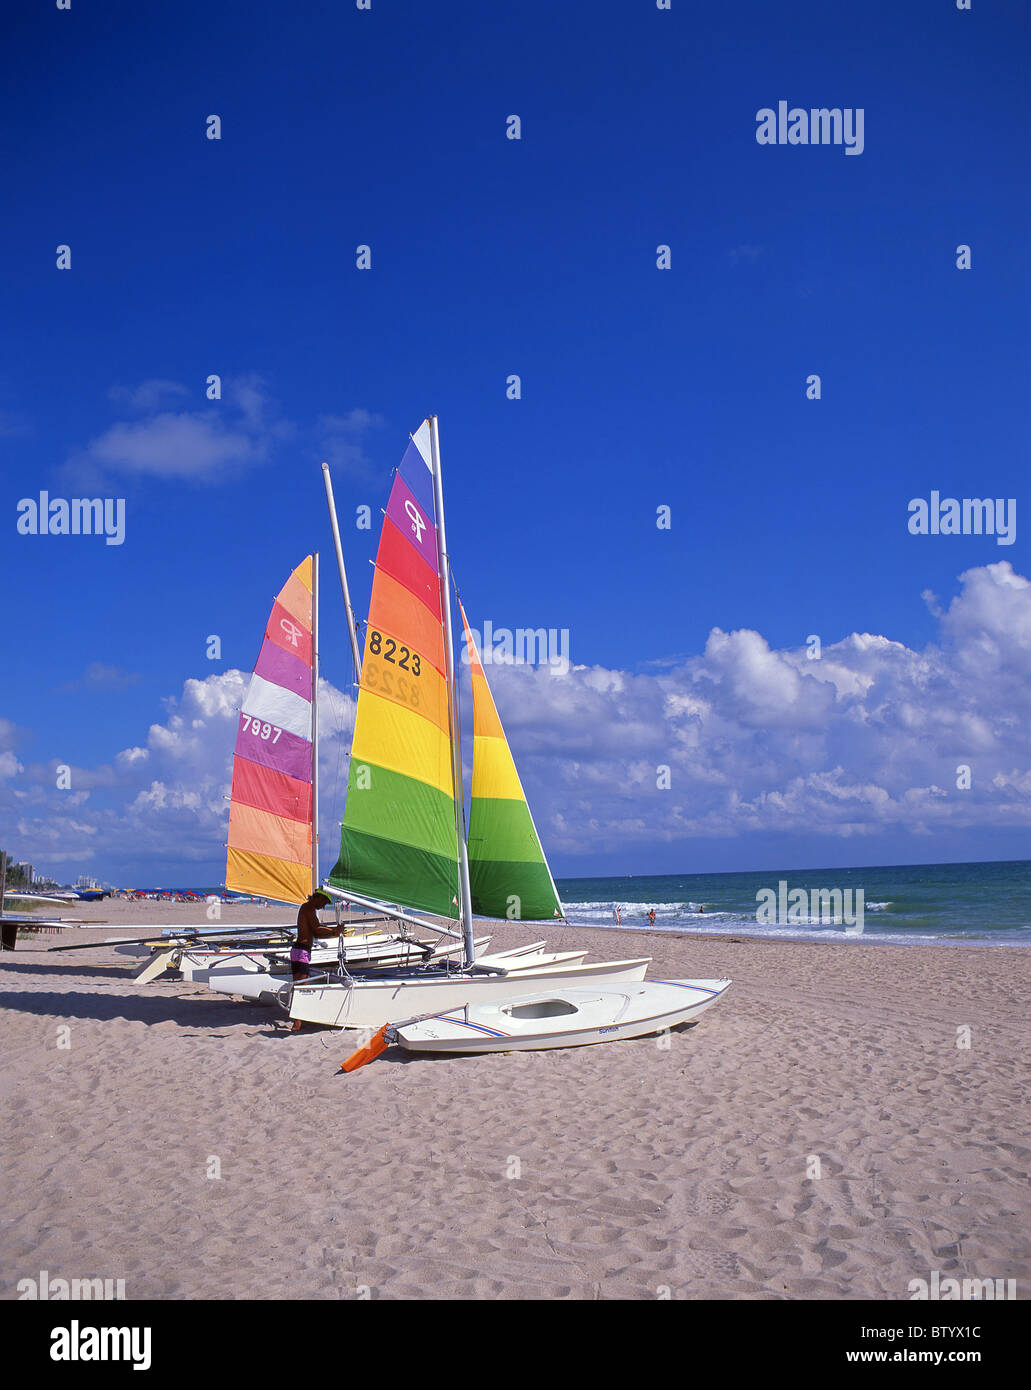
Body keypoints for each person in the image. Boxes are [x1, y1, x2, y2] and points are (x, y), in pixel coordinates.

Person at [289, 890, 346, 1032]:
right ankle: (298, 1022)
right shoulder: (308, 908)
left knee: (300, 985)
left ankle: (299, 1018)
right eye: (324, 902)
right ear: (318, 898)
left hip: (300, 950)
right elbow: (317, 929)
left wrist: (334, 932)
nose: (323, 906)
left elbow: (314, 932)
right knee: (302, 987)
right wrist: (334, 931)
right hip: (301, 951)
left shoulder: (308, 909)